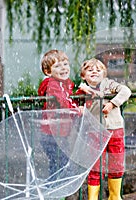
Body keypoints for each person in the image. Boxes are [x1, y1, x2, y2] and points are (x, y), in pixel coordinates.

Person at [76, 58, 131, 200]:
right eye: (90, 70)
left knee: (116, 163)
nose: (94, 71)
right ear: (83, 76)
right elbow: (75, 104)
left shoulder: (109, 85)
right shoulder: (82, 90)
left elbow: (126, 91)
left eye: (98, 70)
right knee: (95, 165)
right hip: (95, 131)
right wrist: (80, 106)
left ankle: (114, 196)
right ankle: (93, 198)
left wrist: (113, 103)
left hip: (115, 129)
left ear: (104, 74)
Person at [38, 49, 85, 181]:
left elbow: (69, 97)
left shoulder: (64, 83)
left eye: (65, 64)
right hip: (51, 133)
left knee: (58, 164)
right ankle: (52, 190)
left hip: (58, 132)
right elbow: (64, 101)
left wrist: (82, 91)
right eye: (57, 66)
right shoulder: (53, 84)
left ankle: (54, 190)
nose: (63, 68)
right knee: (61, 165)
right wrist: (77, 109)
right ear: (48, 72)